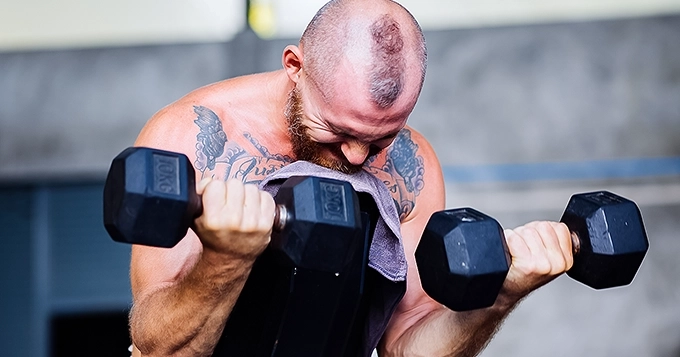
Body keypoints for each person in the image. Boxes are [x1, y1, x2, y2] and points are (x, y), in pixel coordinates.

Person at [128, 0, 574, 356]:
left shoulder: (411, 167)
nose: (358, 157)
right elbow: (160, 348)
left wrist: (499, 298)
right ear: (295, 66)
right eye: (338, 131)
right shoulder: (189, 138)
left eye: (381, 139)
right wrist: (225, 257)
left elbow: (406, 346)